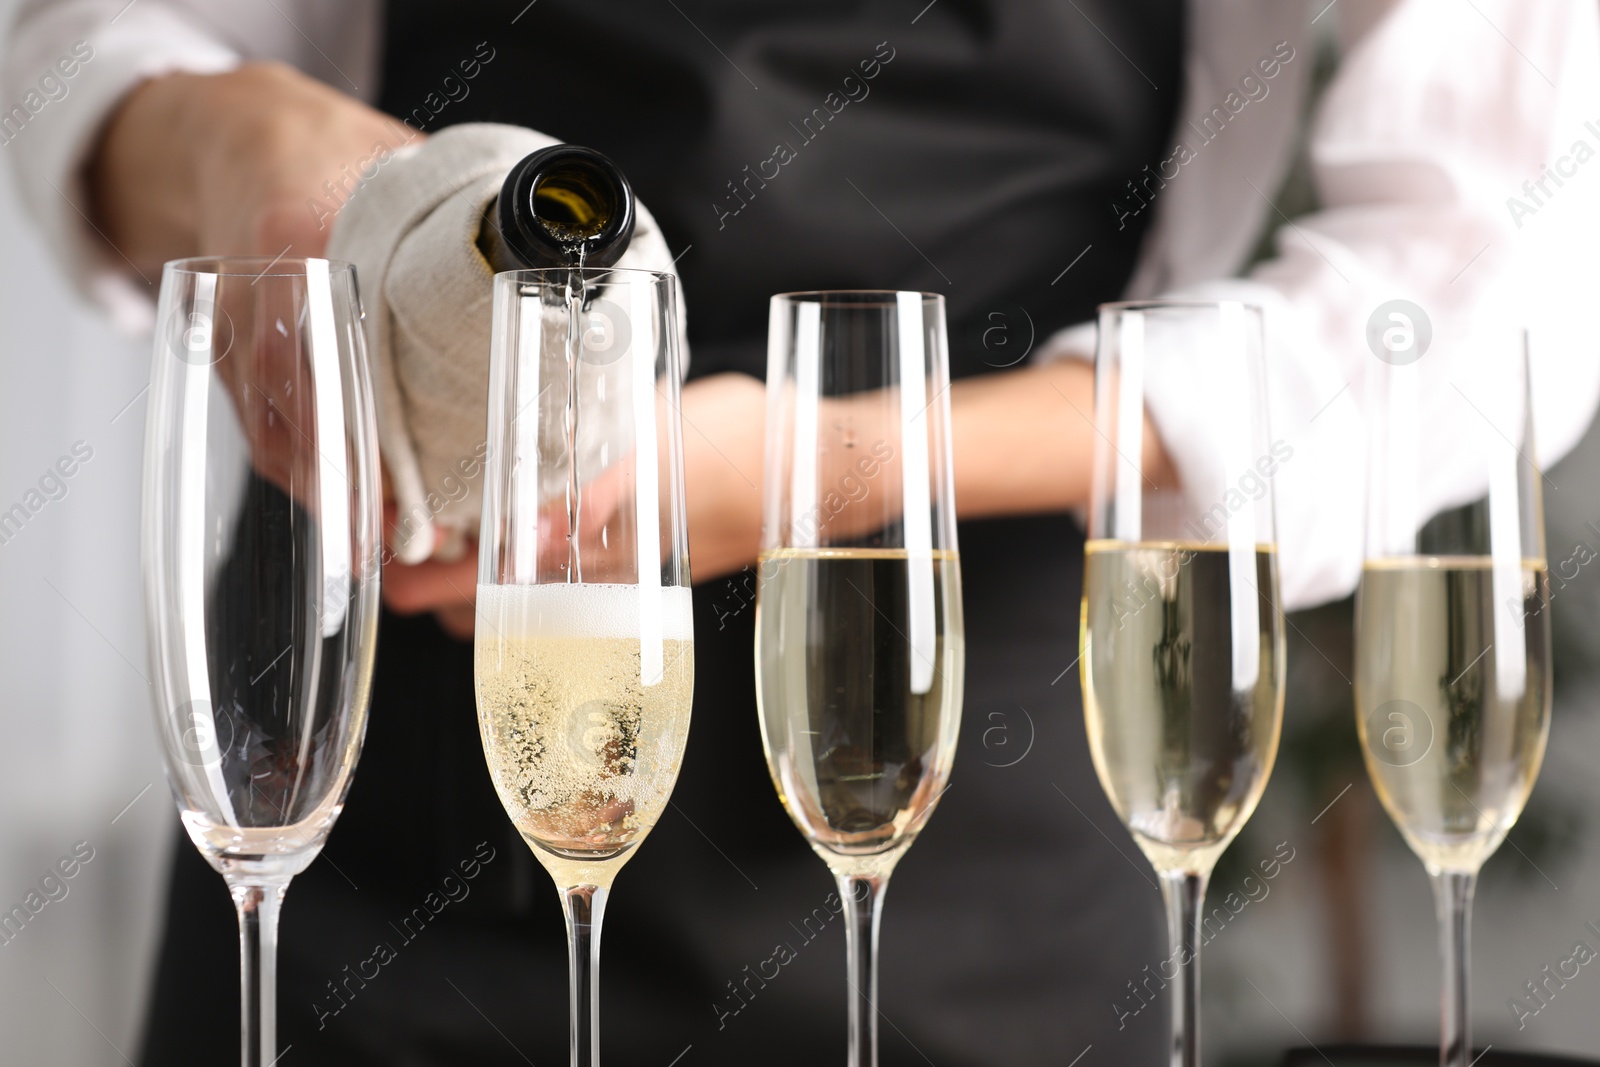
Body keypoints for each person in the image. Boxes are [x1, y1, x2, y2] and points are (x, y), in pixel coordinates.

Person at [5, 1, 1599, 1063]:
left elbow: (1482, 278)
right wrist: (241, 141)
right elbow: (76, 39)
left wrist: (841, 458)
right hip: (394, 840)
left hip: (975, 861)